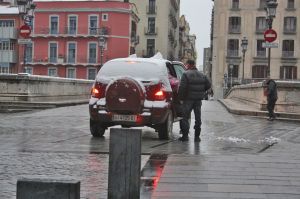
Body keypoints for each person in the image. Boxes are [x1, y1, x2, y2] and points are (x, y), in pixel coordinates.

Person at [178, 59, 211, 142]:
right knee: (198, 118)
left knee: (185, 117)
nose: (186, 66)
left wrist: (181, 98)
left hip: (188, 99)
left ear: (189, 65)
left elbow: (182, 88)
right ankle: (197, 137)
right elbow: (208, 85)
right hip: (198, 100)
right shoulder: (202, 75)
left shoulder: (186, 74)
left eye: (186, 64)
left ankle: (185, 136)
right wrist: (201, 90)